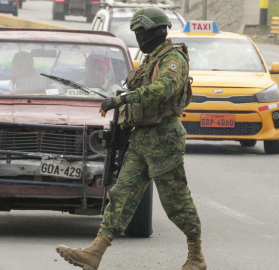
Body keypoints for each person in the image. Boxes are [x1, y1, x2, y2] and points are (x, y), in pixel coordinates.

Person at [55, 7, 206, 270]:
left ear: (158, 32)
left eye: (141, 32)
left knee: (176, 203)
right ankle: (95, 253)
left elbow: (162, 90)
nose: (139, 37)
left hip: (164, 139)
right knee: (121, 195)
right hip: (141, 138)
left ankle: (196, 256)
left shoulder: (173, 60)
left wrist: (121, 99)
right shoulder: (149, 59)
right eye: (136, 33)